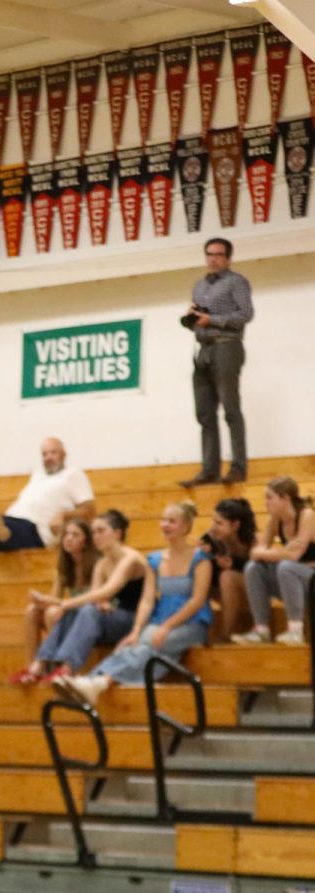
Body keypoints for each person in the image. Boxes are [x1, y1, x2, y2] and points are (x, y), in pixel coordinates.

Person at [56, 502, 212, 707]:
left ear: (185, 526)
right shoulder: (154, 560)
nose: (165, 525)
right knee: (136, 643)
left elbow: (197, 600)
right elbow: (147, 600)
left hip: (192, 624)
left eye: (171, 521)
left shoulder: (200, 559)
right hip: (158, 621)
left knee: (152, 642)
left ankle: (98, 680)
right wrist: (135, 631)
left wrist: (167, 626)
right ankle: (98, 681)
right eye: (163, 520)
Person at [17, 510, 145, 685]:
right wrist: (81, 604)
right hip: (113, 620)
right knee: (78, 610)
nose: (96, 536)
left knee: (83, 610)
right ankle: (39, 665)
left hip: (133, 620)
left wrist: (62, 603)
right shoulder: (102, 563)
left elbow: (106, 591)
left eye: (101, 531)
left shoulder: (130, 559)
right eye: (93, 532)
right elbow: (95, 597)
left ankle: (66, 669)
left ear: (117, 533)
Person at [0, 439, 94, 582]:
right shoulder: (38, 474)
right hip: (11, 522)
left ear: (64, 454)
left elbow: (90, 510)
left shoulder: (73, 474)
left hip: (33, 529)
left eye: (53, 453)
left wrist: (64, 514)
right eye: (44, 454)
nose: (48, 457)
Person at [179, 237, 254, 487]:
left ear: (228, 258)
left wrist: (212, 320)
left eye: (219, 254)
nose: (213, 259)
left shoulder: (237, 282)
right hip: (204, 349)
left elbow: (245, 314)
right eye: (209, 254)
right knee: (204, 413)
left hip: (227, 346)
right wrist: (194, 319)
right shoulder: (199, 286)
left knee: (231, 410)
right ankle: (209, 470)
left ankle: (238, 467)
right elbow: (202, 317)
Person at [232, 477, 315, 647]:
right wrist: (281, 552)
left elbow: (294, 556)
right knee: (253, 568)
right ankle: (261, 630)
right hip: (296, 579)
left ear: (285, 498)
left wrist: (273, 553)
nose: (265, 503)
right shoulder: (274, 520)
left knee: (287, 567)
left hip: (310, 582)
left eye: (269, 497)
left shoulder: (307, 515)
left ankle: (295, 631)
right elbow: (256, 554)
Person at [12, 518, 96, 681]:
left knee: (53, 613)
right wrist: (40, 600)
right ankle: (33, 667)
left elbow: (92, 598)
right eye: (66, 534)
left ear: (86, 542)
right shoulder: (65, 566)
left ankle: (56, 664)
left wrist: (53, 604)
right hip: (70, 610)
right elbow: (54, 597)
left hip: (85, 613)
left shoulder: (95, 565)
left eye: (75, 535)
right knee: (32, 611)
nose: (69, 538)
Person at [203, 497, 256, 642]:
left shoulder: (252, 542)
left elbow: (256, 573)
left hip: (252, 595)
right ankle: (199, 631)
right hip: (222, 592)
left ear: (235, 525)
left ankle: (226, 634)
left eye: (219, 523)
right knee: (199, 573)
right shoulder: (212, 539)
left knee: (228, 576)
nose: (213, 527)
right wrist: (202, 557)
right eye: (213, 521)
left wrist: (233, 564)